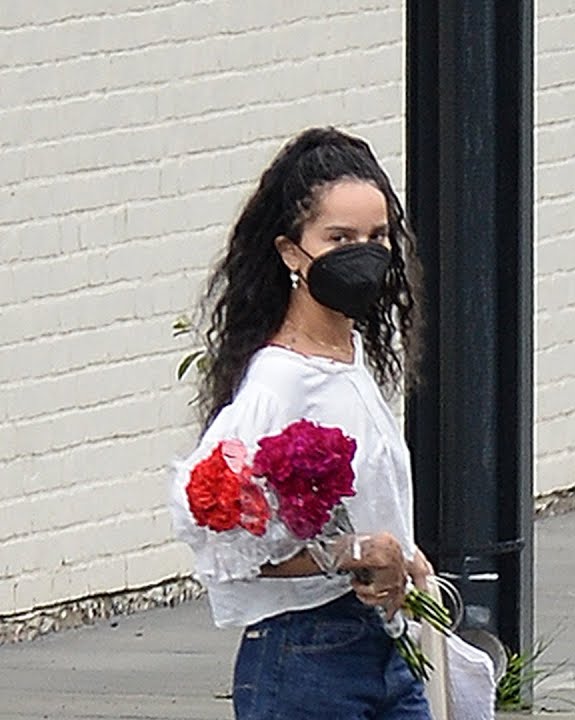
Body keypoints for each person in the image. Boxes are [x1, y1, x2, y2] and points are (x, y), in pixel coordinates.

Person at [169, 127, 435, 719]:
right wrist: (347, 553)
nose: (364, 253)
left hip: (388, 648)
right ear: (292, 252)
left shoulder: (350, 358)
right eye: (339, 238)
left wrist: (403, 558)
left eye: (377, 236)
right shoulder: (280, 380)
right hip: (306, 654)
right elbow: (211, 524)